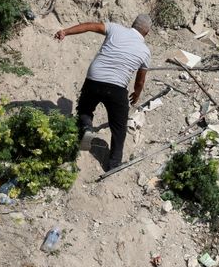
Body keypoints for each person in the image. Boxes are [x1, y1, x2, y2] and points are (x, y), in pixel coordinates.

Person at [54, 15, 151, 170]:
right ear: (147, 33)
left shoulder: (115, 28)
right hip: (117, 88)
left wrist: (65, 31)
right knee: (119, 127)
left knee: (85, 109)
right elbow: (140, 81)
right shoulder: (145, 51)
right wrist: (136, 93)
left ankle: (86, 128)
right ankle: (113, 164)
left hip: (94, 79)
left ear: (132, 24)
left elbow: (89, 26)